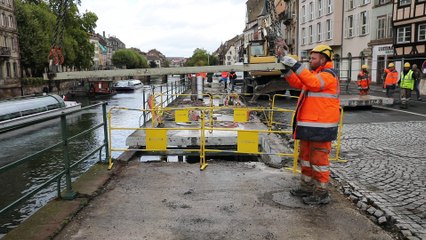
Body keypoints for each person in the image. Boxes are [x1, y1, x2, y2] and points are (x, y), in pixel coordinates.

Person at [281, 45, 340, 205]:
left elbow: (313, 83)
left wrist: (296, 65)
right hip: (310, 126)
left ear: (323, 59)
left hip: (322, 127)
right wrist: (286, 71)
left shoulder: (328, 76)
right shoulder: (315, 74)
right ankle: (306, 186)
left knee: (319, 160)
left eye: (313, 58)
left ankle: (321, 192)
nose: (310, 60)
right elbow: (298, 82)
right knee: (305, 158)